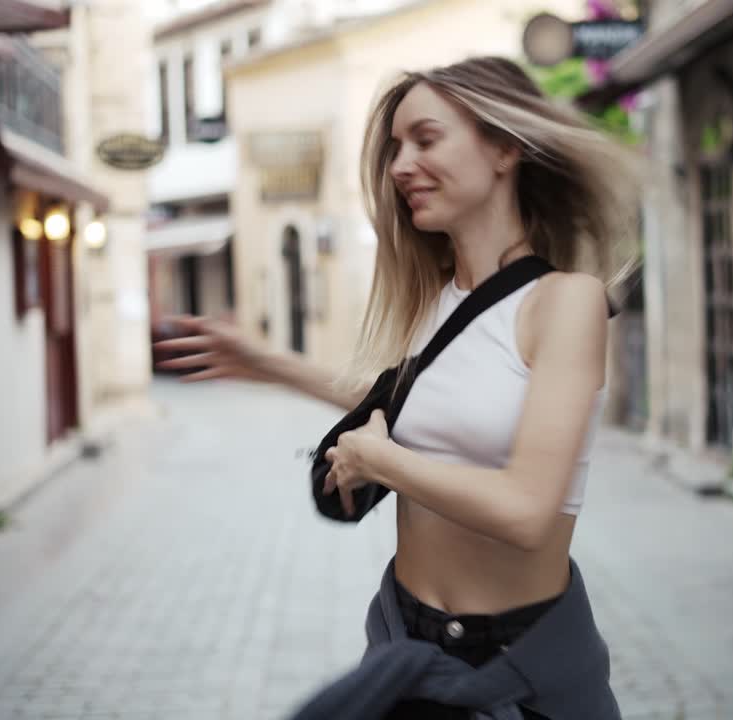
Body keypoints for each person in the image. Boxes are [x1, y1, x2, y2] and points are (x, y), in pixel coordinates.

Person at [157, 56, 640, 720]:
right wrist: (265, 364)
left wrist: (381, 462)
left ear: (503, 147)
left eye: (425, 138)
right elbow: (410, 404)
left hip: (516, 671)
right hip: (402, 641)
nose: (399, 166)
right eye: (394, 148)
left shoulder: (565, 304)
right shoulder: (435, 303)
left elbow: (528, 511)